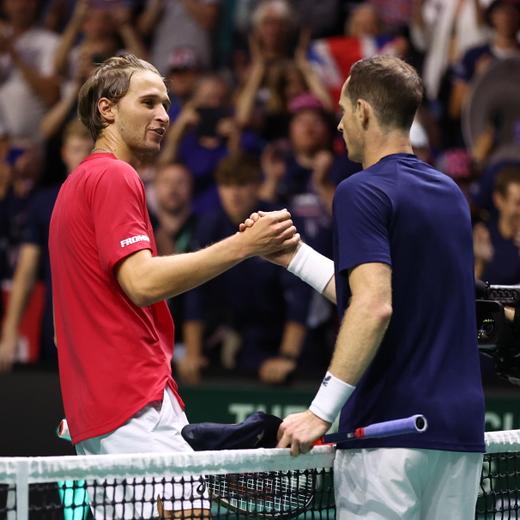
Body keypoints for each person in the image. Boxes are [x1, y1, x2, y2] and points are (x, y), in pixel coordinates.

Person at [48, 54, 298, 519]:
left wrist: (90, 404)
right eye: (148, 102)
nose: (164, 116)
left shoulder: (75, 183)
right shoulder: (114, 175)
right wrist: (245, 245)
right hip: (133, 404)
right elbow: (141, 283)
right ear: (107, 109)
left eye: (167, 104)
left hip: (101, 412)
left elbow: (66, 330)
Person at [246, 55, 485, 518]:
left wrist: (320, 412)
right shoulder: (451, 194)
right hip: (458, 437)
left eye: (341, 110)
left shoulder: (360, 190)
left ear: (364, 112)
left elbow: (373, 307)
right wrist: (296, 258)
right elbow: (395, 296)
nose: (337, 125)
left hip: (386, 437)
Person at [0, 119, 92, 372]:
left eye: (89, 150)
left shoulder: (112, 194)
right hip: (57, 328)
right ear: (64, 153)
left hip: (104, 327)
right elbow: (27, 269)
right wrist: (9, 331)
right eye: (76, 150)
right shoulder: (44, 204)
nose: (83, 157)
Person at [473, 165, 520, 285]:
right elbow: (468, 291)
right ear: (499, 200)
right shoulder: (483, 236)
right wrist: (479, 262)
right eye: (517, 203)